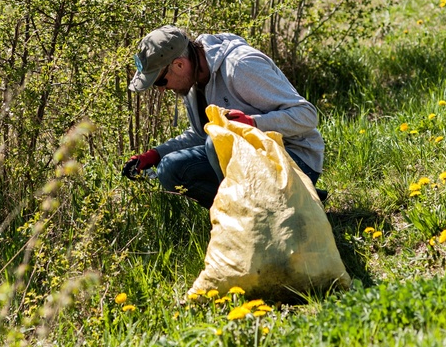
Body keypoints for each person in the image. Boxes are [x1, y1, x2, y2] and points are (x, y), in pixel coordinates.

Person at [122, 25, 326, 209]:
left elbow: (306, 116)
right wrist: (155, 155)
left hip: (296, 160)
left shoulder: (241, 66)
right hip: (250, 162)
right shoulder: (192, 81)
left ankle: (273, 210)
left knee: (218, 140)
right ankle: (270, 209)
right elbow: (200, 134)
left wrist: (252, 123)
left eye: (161, 82)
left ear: (179, 65)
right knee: (170, 168)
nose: (161, 90)